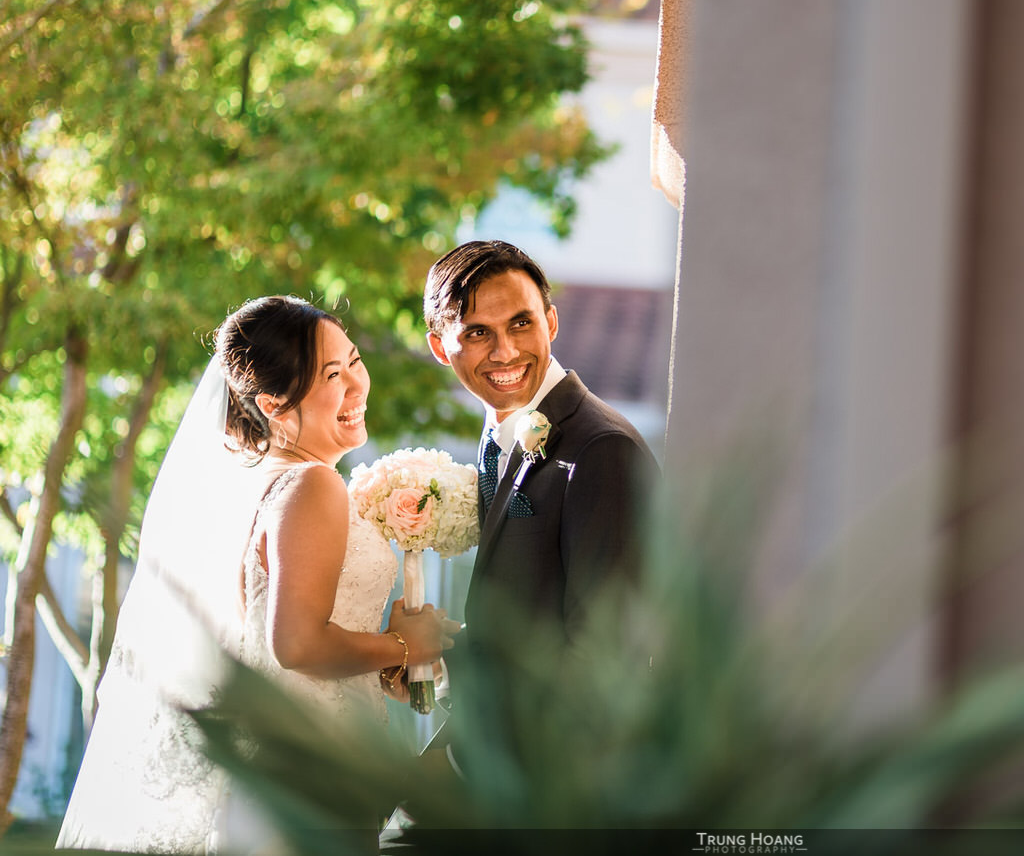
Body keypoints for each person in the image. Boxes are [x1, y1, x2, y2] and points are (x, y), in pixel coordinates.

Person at [58, 296, 456, 853]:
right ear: (273, 403)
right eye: (331, 375)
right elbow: (295, 644)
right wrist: (402, 645)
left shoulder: (260, 482)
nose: (357, 385)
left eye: (355, 361)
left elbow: (266, 645)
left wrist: (387, 664)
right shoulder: (311, 485)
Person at [423, 240, 657, 640]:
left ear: (550, 321)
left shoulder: (601, 449)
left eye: (521, 323)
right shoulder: (499, 434)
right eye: (479, 332)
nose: (506, 352)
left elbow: (604, 650)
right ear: (440, 348)